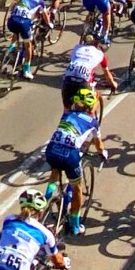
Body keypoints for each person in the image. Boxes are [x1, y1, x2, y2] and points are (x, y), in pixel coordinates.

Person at [44, 99, 105, 235]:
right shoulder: (93, 122)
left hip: (51, 149)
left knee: (55, 171)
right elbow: (99, 145)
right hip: (70, 155)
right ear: (90, 109)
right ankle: (75, 225)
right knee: (77, 189)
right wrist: (103, 153)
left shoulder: (67, 114)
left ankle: (45, 200)